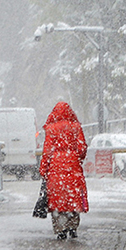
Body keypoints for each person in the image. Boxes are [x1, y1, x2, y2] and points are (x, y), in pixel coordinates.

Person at [40, 102, 89, 240]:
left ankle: (60, 229)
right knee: (73, 198)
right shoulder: (76, 127)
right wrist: (77, 159)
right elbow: (82, 148)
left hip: (55, 167)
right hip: (73, 166)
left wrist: (44, 169)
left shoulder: (51, 129)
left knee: (58, 198)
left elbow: (47, 151)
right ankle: (73, 227)